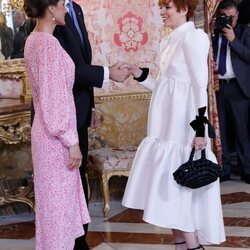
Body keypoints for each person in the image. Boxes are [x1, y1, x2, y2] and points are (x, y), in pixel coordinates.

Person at [122, 0, 225, 249]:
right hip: (164, 125)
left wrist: (201, 130)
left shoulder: (194, 38)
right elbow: (165, 87)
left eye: (167, 7)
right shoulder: (168, 40)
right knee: (168, 185)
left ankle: (192, 246)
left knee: (180, 187)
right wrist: (140, 75)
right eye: (161, 7)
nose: (162, 12)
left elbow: (200, 87)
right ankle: (181, 244)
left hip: (183, 126)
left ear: (183, 9)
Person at [52, 1, 129, 249]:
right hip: (62, 113)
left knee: (79, 176)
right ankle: (70, 239)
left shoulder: (75, 8)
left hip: (81, 109)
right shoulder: (51, 14)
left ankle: (79, 238)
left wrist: (91, 105)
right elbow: (68, 69)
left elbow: (83, 58)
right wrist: (107, 73)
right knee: (66, 180)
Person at [23, 0, 90, 249]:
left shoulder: (34, 40)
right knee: (58, 216)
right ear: (51, 8)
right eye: (62, 4)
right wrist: (72, 142)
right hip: (55, 140)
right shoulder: (48, 45)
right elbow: (54, 100)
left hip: (46, 135)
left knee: (56, 213)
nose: (65, 9)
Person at [212, 0, 250, 183]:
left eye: (231, 17)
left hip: (238, 87)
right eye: (224, 17)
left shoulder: (244, 32)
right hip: (217, 88)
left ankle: (247, 170)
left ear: (237, 16)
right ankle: (224, 169)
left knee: (242, 132)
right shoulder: (212, 34)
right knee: (222, 131)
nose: (228, 21)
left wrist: (233, 39)